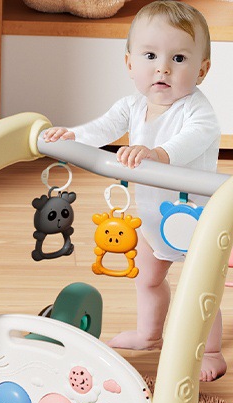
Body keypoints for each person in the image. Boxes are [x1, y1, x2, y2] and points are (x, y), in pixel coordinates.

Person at [43, 0, 224, 380]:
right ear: (129, 64)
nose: (163, 68)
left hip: (196, 221)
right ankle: (149, 334)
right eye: (150, 56)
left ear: (202, 70)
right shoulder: (132, 106)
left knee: (200, 287)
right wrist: (72, 135)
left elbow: (191, 140)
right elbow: (102, 127)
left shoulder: (198, 112)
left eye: (178, 58)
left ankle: (210, 351)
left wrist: (156, 154)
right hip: (153, 218)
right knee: (148, 279)